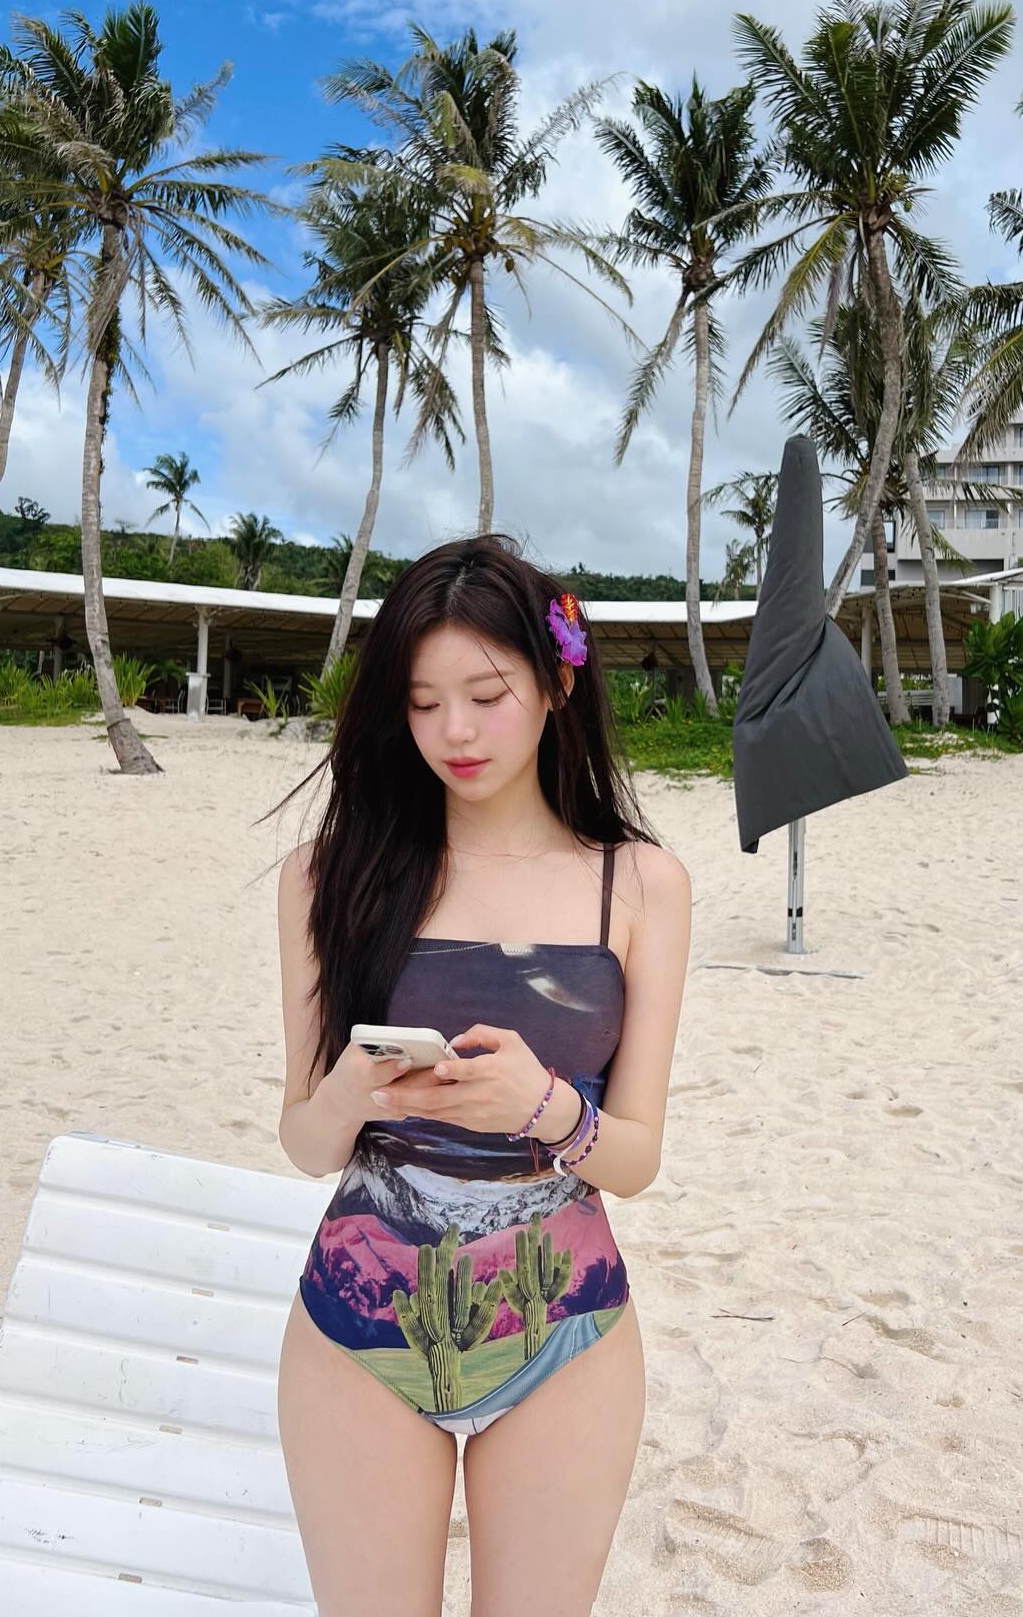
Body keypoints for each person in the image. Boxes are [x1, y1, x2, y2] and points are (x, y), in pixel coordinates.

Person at [270, 534, 692, 1616]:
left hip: (569, 1332)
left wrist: (545, 1108)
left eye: (486, 695)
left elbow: (636, 1156)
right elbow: (306, 1141)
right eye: (422, 703)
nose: (453, 731)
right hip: (357, 1331)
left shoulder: (640, 884)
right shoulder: (328, 876)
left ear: (557, 683)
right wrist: (353, 1092)